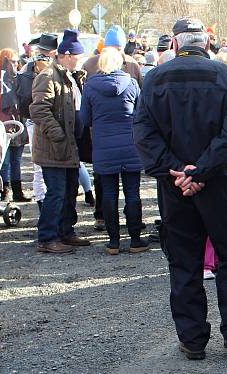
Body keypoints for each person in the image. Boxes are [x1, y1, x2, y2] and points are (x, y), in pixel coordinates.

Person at [133, 17, 227, 360]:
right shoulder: (226, 75)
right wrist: (197, 170)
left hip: (178, 184)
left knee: (184, 260)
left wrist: (179, 170)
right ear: (207, 43)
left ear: (175, 43)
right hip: (216, 181)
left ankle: (192, 337)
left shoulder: (154, 78)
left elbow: (143, 134)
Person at [79, 47, 147, 255]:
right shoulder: (132, 83)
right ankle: (135, 240)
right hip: (130, 145)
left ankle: (113, 242)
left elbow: (85, 119)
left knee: (108, 194)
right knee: (133, 193)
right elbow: (141, 113)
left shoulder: (90, 86)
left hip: (103, 147)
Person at [30, 29, 90, 254]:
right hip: (54, 147)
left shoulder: (72, 76)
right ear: (65, 55)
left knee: (70, 190)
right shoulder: (47, 76)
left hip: (69, 145)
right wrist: (58, 135)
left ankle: (66, 231)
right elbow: (39, 109)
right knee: (56, 192)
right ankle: (47, 237)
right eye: (77, 56)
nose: (80, 60)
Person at [18, 33, 57, 207]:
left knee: (38, 166)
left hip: (32, 119)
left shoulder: (27, 67)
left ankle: (42, 202)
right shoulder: (54, 67)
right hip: (53, 119)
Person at [0, 48, 29, 203]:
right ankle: (5, 191)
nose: (16, 64)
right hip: (2, 125)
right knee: (5, 161)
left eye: (17, 61)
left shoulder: (18, 79)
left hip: (18, 123)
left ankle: (17, 191)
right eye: (12, 61)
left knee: (16, 161)